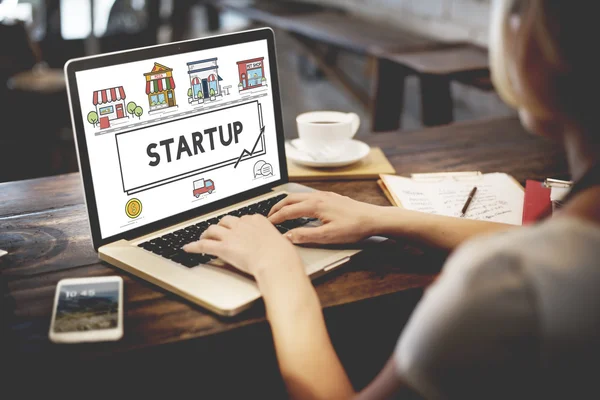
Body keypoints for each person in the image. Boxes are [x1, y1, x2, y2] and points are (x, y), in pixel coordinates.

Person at [184, 0, 600, 398]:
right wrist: (385, 218)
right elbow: (538, 241)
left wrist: (276, 269)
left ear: (555, 50)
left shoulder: (503, 283)